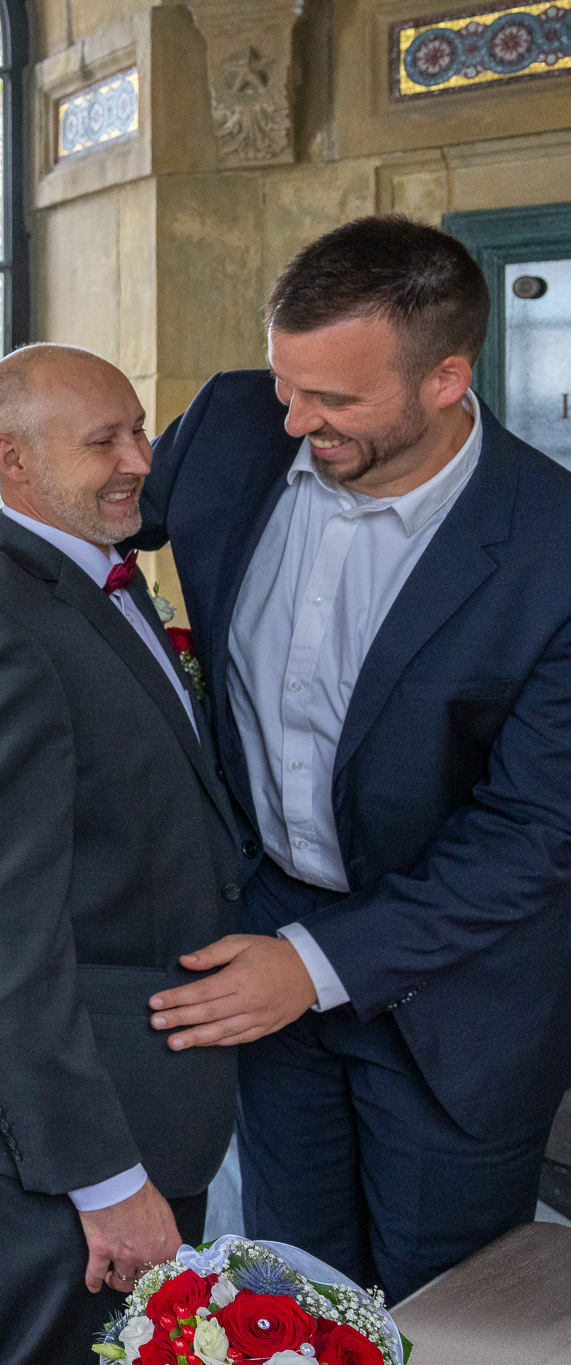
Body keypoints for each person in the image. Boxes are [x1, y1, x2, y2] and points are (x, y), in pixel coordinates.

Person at [125, 216, 571, 1300]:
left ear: (444, 379)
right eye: (287, 383)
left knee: (435, 1309)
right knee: (287, 1291)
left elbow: (535, 831)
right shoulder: (235, 420)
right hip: (257, 941)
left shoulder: (552, 548)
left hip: (456, 1006)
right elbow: (79, 517)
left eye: (333, 401)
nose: (294, 419)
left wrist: (314, 967)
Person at [0, 343, 244, 1365]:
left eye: (137, 429)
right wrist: (101, 1179)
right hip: (53, 1144)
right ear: (12, 461)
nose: (139, 457)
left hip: (135, 1094)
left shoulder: (95, 574)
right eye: (104, 441)